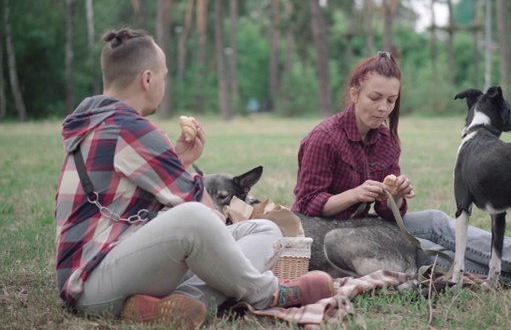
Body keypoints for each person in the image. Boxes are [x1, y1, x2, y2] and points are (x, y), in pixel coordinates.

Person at [55, 28, 334, 329]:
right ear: (147, 79)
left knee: (265, 229)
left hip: (123, 262)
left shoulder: (95, 122)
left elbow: (129, 196)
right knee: (196, 217)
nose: (164, 82)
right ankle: (270, 292)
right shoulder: (131, 128)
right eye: (164, 75)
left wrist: (178, 162)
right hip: (92, 284)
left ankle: (165, 306)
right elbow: (205, 215)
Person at [291, 51, 511, 282]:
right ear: (354, 93)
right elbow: (306, 207)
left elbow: (387, 212)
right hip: (328, 232)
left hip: (364, 224)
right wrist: (355, 194)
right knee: (428, 253)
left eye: (391, 100)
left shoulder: (385, 140)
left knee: (434, 220)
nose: (384, 108)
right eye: (375, 98)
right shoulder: (324, 139)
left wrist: (397, 195)